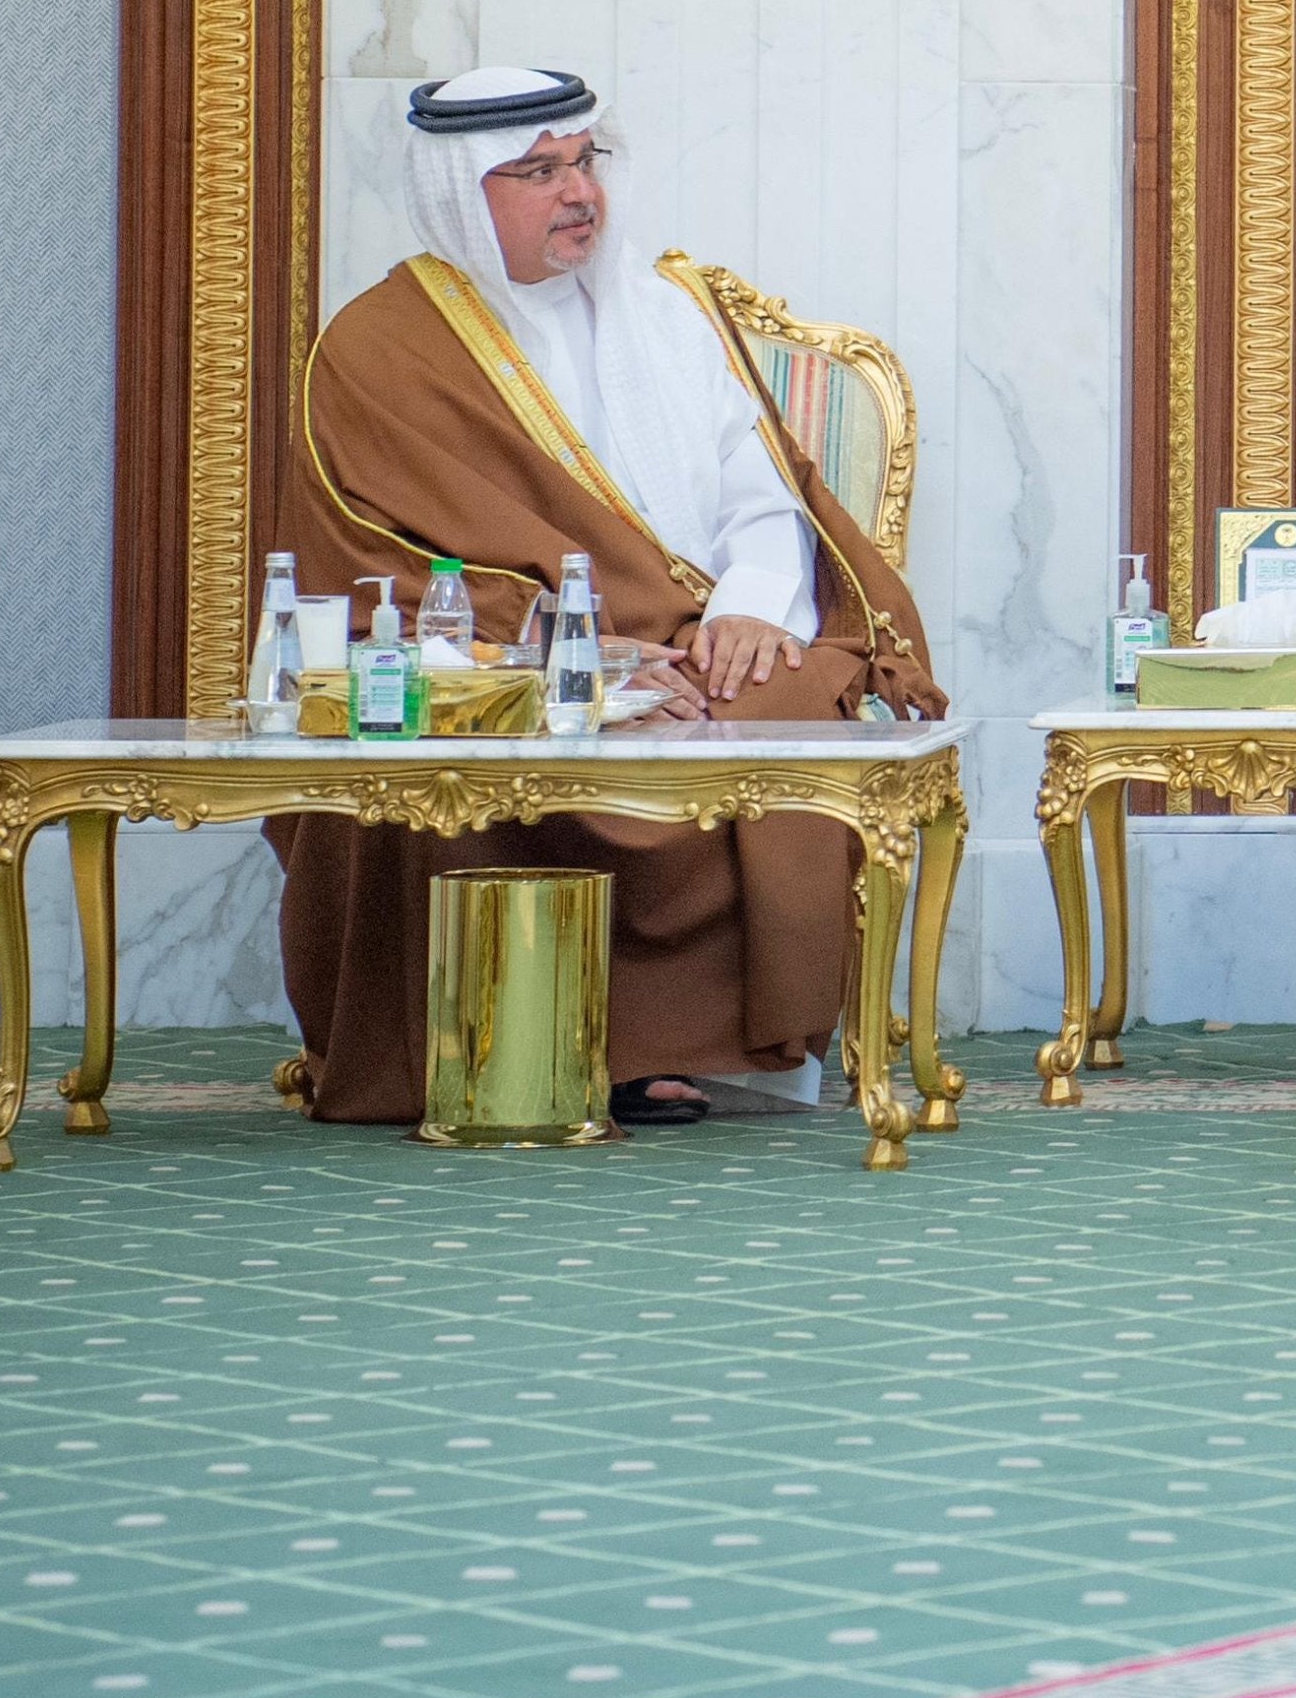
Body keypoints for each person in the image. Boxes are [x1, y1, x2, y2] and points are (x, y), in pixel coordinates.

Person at [268, 67, 943, 1127]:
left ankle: (695, 1041)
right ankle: (482, 1040)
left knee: (786, 705)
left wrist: (751, 609)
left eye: (584, 162)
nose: (577, 191)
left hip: (694, 630)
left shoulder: (669, 316)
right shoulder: (377, 349)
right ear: (459, 193)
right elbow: (372, 562)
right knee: (458, 752)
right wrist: (574, 656)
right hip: (503, 656)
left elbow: (761, 495)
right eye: (537, 172)